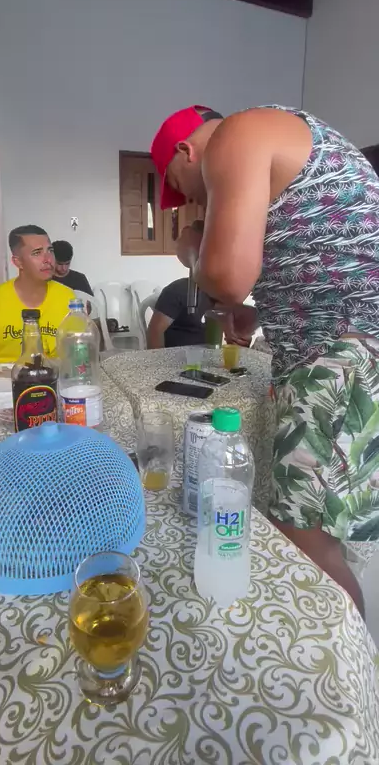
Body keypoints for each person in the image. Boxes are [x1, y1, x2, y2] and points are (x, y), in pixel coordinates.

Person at [151, 104, 379, 616]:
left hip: (341, 356)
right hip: (349, 345)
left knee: (307, 542)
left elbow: (228, 277)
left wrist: (194, 247)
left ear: (187, 152)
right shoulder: (287, 132)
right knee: (316, 529)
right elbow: (331, 256)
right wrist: (266, 313)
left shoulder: (240, 132)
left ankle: (349, 662)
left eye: (183, 188)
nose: (193, 200)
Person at [0, 225, 73, 364]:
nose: (48, 259)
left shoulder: (68, 298)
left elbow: (77, 356)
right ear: (18, 262)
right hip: (1, 376)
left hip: (53, 375)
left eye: (50, 251)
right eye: (37, 253)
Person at [147, 220, 215, 348]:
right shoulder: (177, 291)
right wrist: (160, 361)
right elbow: (154, 331)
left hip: (207, 355)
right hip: (176, 356)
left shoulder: (220, 292)